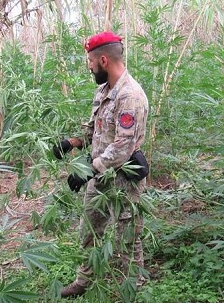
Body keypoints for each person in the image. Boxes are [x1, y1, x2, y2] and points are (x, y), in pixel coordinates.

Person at [52, 31, 149, 298]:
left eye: (91, 63)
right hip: (100, 176)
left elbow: (122, 146)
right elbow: (95, 131)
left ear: (103, 60)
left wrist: (88, 171)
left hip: (124, 180)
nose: (90, 68)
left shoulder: (130, 95)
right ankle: (84, 280)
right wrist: (71, 142)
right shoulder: (103, 91)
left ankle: (132, 287)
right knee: (89, 229)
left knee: (127, 237)